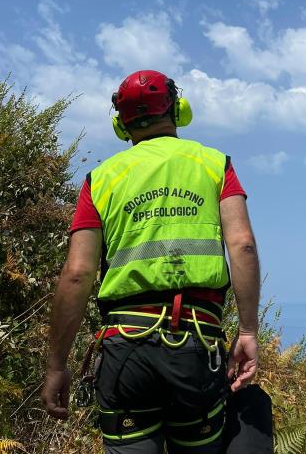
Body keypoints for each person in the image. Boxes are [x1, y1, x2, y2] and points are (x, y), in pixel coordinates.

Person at [42, 69, 261, 454]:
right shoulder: (214, 164)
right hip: (195, 345)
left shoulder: (101, 178)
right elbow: (241, 245)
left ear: (120, 124)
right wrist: (247, 332)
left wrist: (57, 364)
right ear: (178, 110)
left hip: (126, 350)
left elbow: (77, 274)